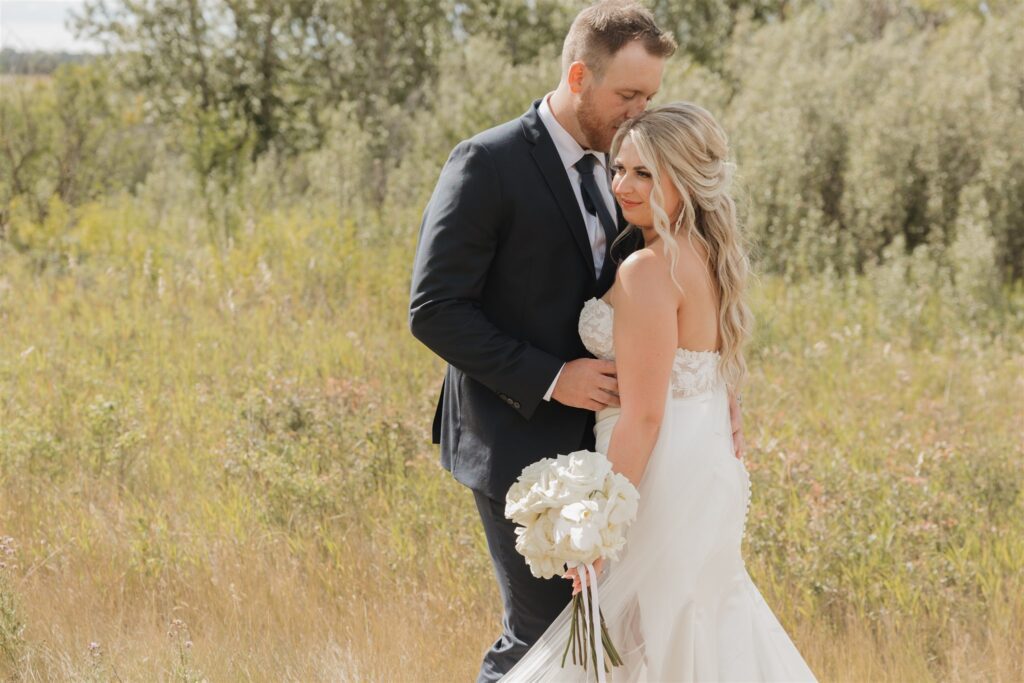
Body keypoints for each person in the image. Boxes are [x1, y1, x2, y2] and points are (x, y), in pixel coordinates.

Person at [411, 3, 749, 681]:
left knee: (614, 638)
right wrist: (550, 376)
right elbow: (435, 309)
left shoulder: (626, 166)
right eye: (628, 95)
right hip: (517, 432)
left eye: (650, 96)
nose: (639, 112)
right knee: (550, 640)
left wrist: (712, 393)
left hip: (617, 449)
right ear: (578, 75)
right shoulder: (489, 163)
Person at [502, 102, 817, 681]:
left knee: (660, 637)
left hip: (662, 471)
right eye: (618, 168)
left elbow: (643, 418)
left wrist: (596, 529)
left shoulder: (646, 270)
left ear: (686, 179)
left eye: (644, 173)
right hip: (703, 457)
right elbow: (704, 371)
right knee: (695, 624)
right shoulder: (708, 256)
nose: (622, 185)